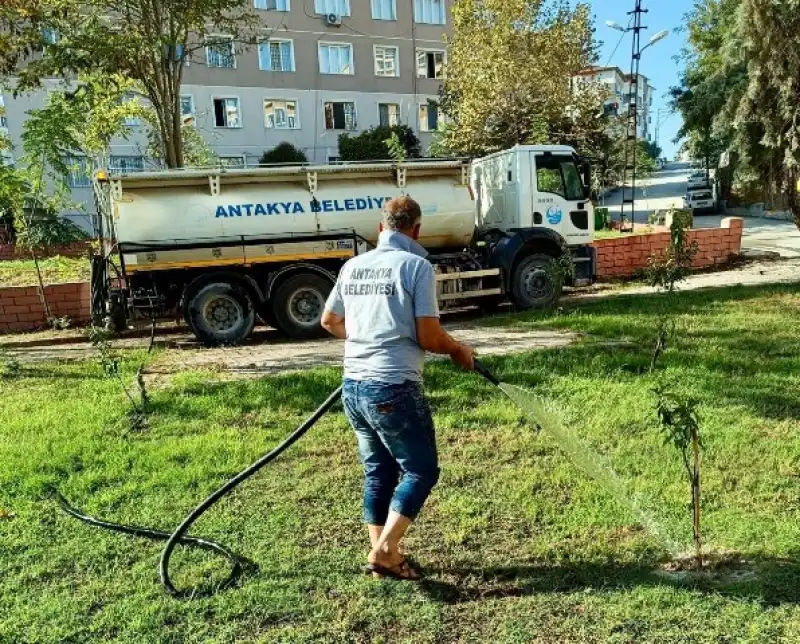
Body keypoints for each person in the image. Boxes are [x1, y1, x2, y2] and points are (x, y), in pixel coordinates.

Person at [321, 196, 475, 581]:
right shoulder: (416, 266)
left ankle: (383, 555)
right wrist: (458, 350)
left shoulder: (353, 266)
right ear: (416, 230)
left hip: (353, 388)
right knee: (421, 469)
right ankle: (386, 550)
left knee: (378, 472)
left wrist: (365, 339)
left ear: (380, 228)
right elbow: (428, 335)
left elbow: (329, 320)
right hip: (392, 388)